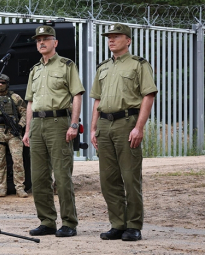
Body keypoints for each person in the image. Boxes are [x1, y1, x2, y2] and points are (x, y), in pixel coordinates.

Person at [90, 23, 157, 242]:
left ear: (127, 40)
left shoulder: (139, 65)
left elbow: (148, 95)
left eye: (116, 36)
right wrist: (92, 128)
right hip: (104, 124)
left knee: (130, 177)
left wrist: (139, 127)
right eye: (109, 37)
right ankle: (117, 224)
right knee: (108, 179)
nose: (111, 40)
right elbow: (97, 99)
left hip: (126, 123)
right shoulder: (103, 67)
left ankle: (134, 225)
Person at [22, 25, 85, 237]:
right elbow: (30, 102)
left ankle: (69, 223)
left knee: (61, 175)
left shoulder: (67, 65)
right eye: (38, 39)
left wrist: (74, 124)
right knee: (38, 177)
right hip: (37, 125)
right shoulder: (35, 70)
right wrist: (27, 129)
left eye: (46, 39)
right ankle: (47, 221)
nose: (41, 42)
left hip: (59, 123)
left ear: (55, 43)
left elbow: (77, 94)